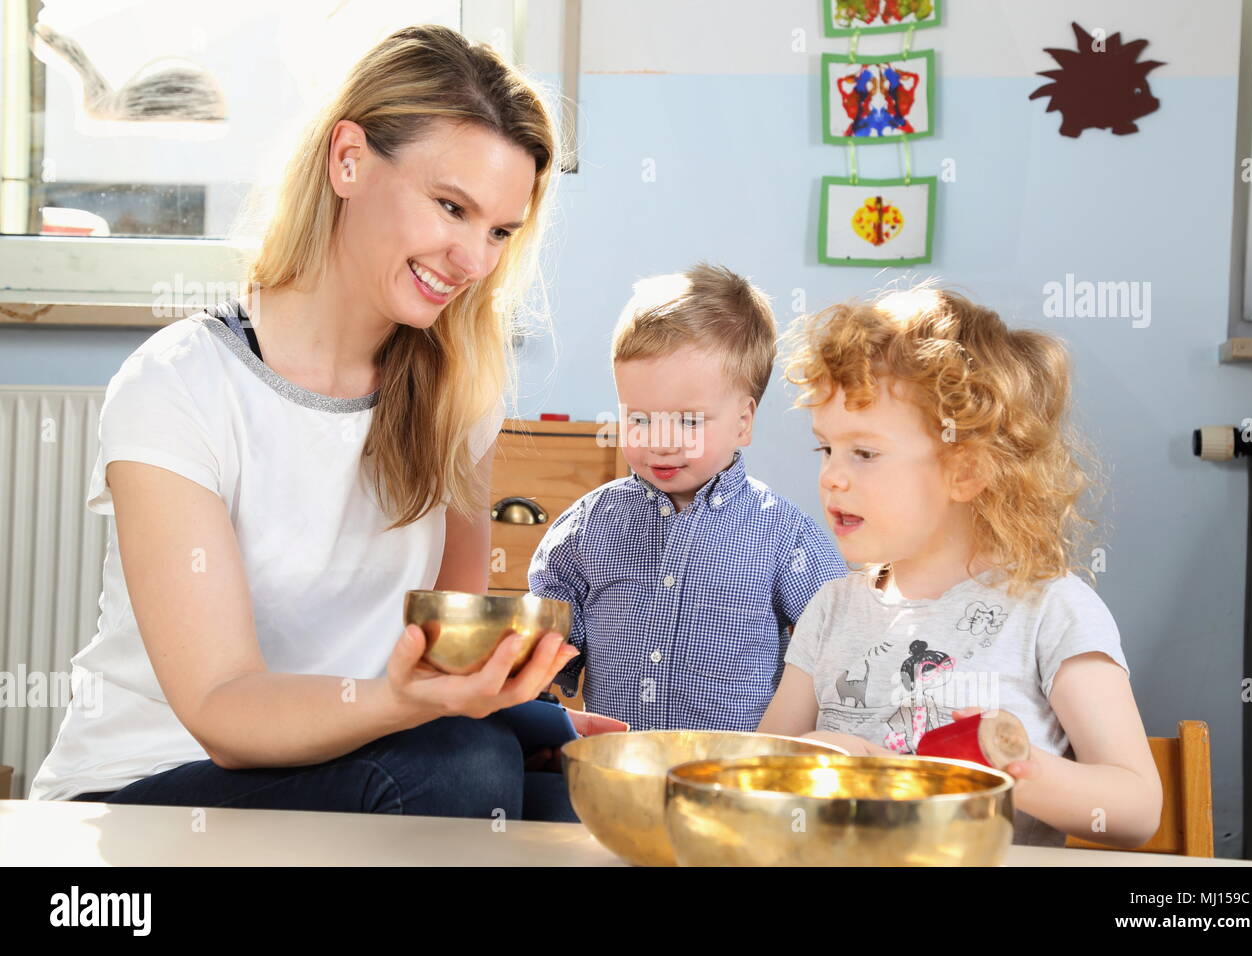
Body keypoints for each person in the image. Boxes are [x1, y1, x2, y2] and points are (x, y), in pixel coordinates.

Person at [29, 24, 598, 821]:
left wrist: (512, 704)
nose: (474, 260)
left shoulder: (456, 392)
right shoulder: (178, 386)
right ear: (349, 161)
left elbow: (442, 649)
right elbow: (224, 710)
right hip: (150, 788)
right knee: (463, 770)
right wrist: (423, 707)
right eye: (450, 207)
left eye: (499, 230)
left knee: (576, 793)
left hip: (354, 757)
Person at [758, 284, 1163, 847]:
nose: (832, 476)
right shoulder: (830, 609)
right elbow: (761, 773)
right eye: (826, 449)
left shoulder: (1051, 610)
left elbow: (1135, 808)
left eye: (865, 453)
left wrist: (1013, 769)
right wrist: (810, 766)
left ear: (966, 471)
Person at [528, 263, 848, 732]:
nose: (661, 441)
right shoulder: (590, 525)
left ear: (743, 422)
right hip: (618, 764)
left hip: (734, 777)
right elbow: (547, 622)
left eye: (688, 421)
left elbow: (832, 635)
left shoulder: (782, 534)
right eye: (639, 419)